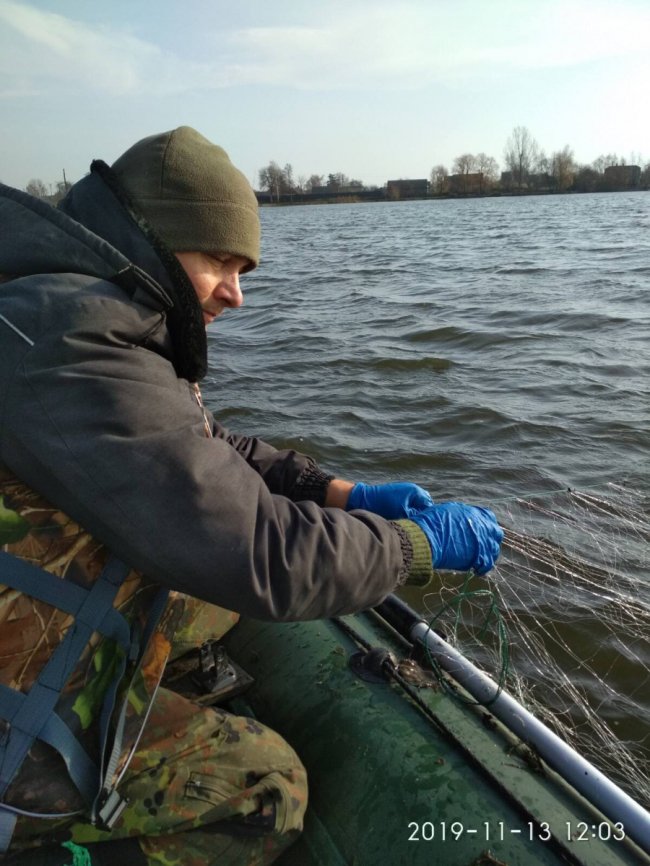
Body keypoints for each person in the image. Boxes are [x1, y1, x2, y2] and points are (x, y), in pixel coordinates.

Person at [0, 127, 503, 865]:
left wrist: (338, 491)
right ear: (157, 240)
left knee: (215, 605)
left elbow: (200, 444)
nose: (237, 294)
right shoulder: (74, 345)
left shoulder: (75, 309)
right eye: (221, 263)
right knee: (271, 789)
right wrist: (416, 546)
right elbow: (264, 553)